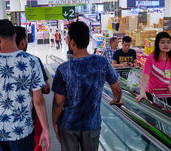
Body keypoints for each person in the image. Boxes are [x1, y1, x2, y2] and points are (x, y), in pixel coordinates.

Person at [0, 19, 51, 151]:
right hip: (22, 131)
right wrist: (45, 129)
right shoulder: (32, 62)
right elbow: (38, 100)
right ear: (15, 35)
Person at [52, 21, 123, 151]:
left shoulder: (63, 69)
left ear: (72, 43)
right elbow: (117, 88)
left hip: (68, 125)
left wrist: (55, 122)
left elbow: (58, 102)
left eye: (67, 38)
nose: (66, 40)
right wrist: (116, 100)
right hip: (92, 124)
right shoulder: (101, 62)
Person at [15, 26, 50, 151]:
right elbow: (46, 88)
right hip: (33, 117)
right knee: (35, 145)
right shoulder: (34, 61)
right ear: (23, 41)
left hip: (9, 125)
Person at [136, 32, 171, 107]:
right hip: (153, 94)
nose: (166, 44)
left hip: (169, 94)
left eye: (168, 42)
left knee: (169, 117)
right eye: (162, 42)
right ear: (157, 44)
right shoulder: (151, 58)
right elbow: (145, 77)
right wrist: (142, 92)